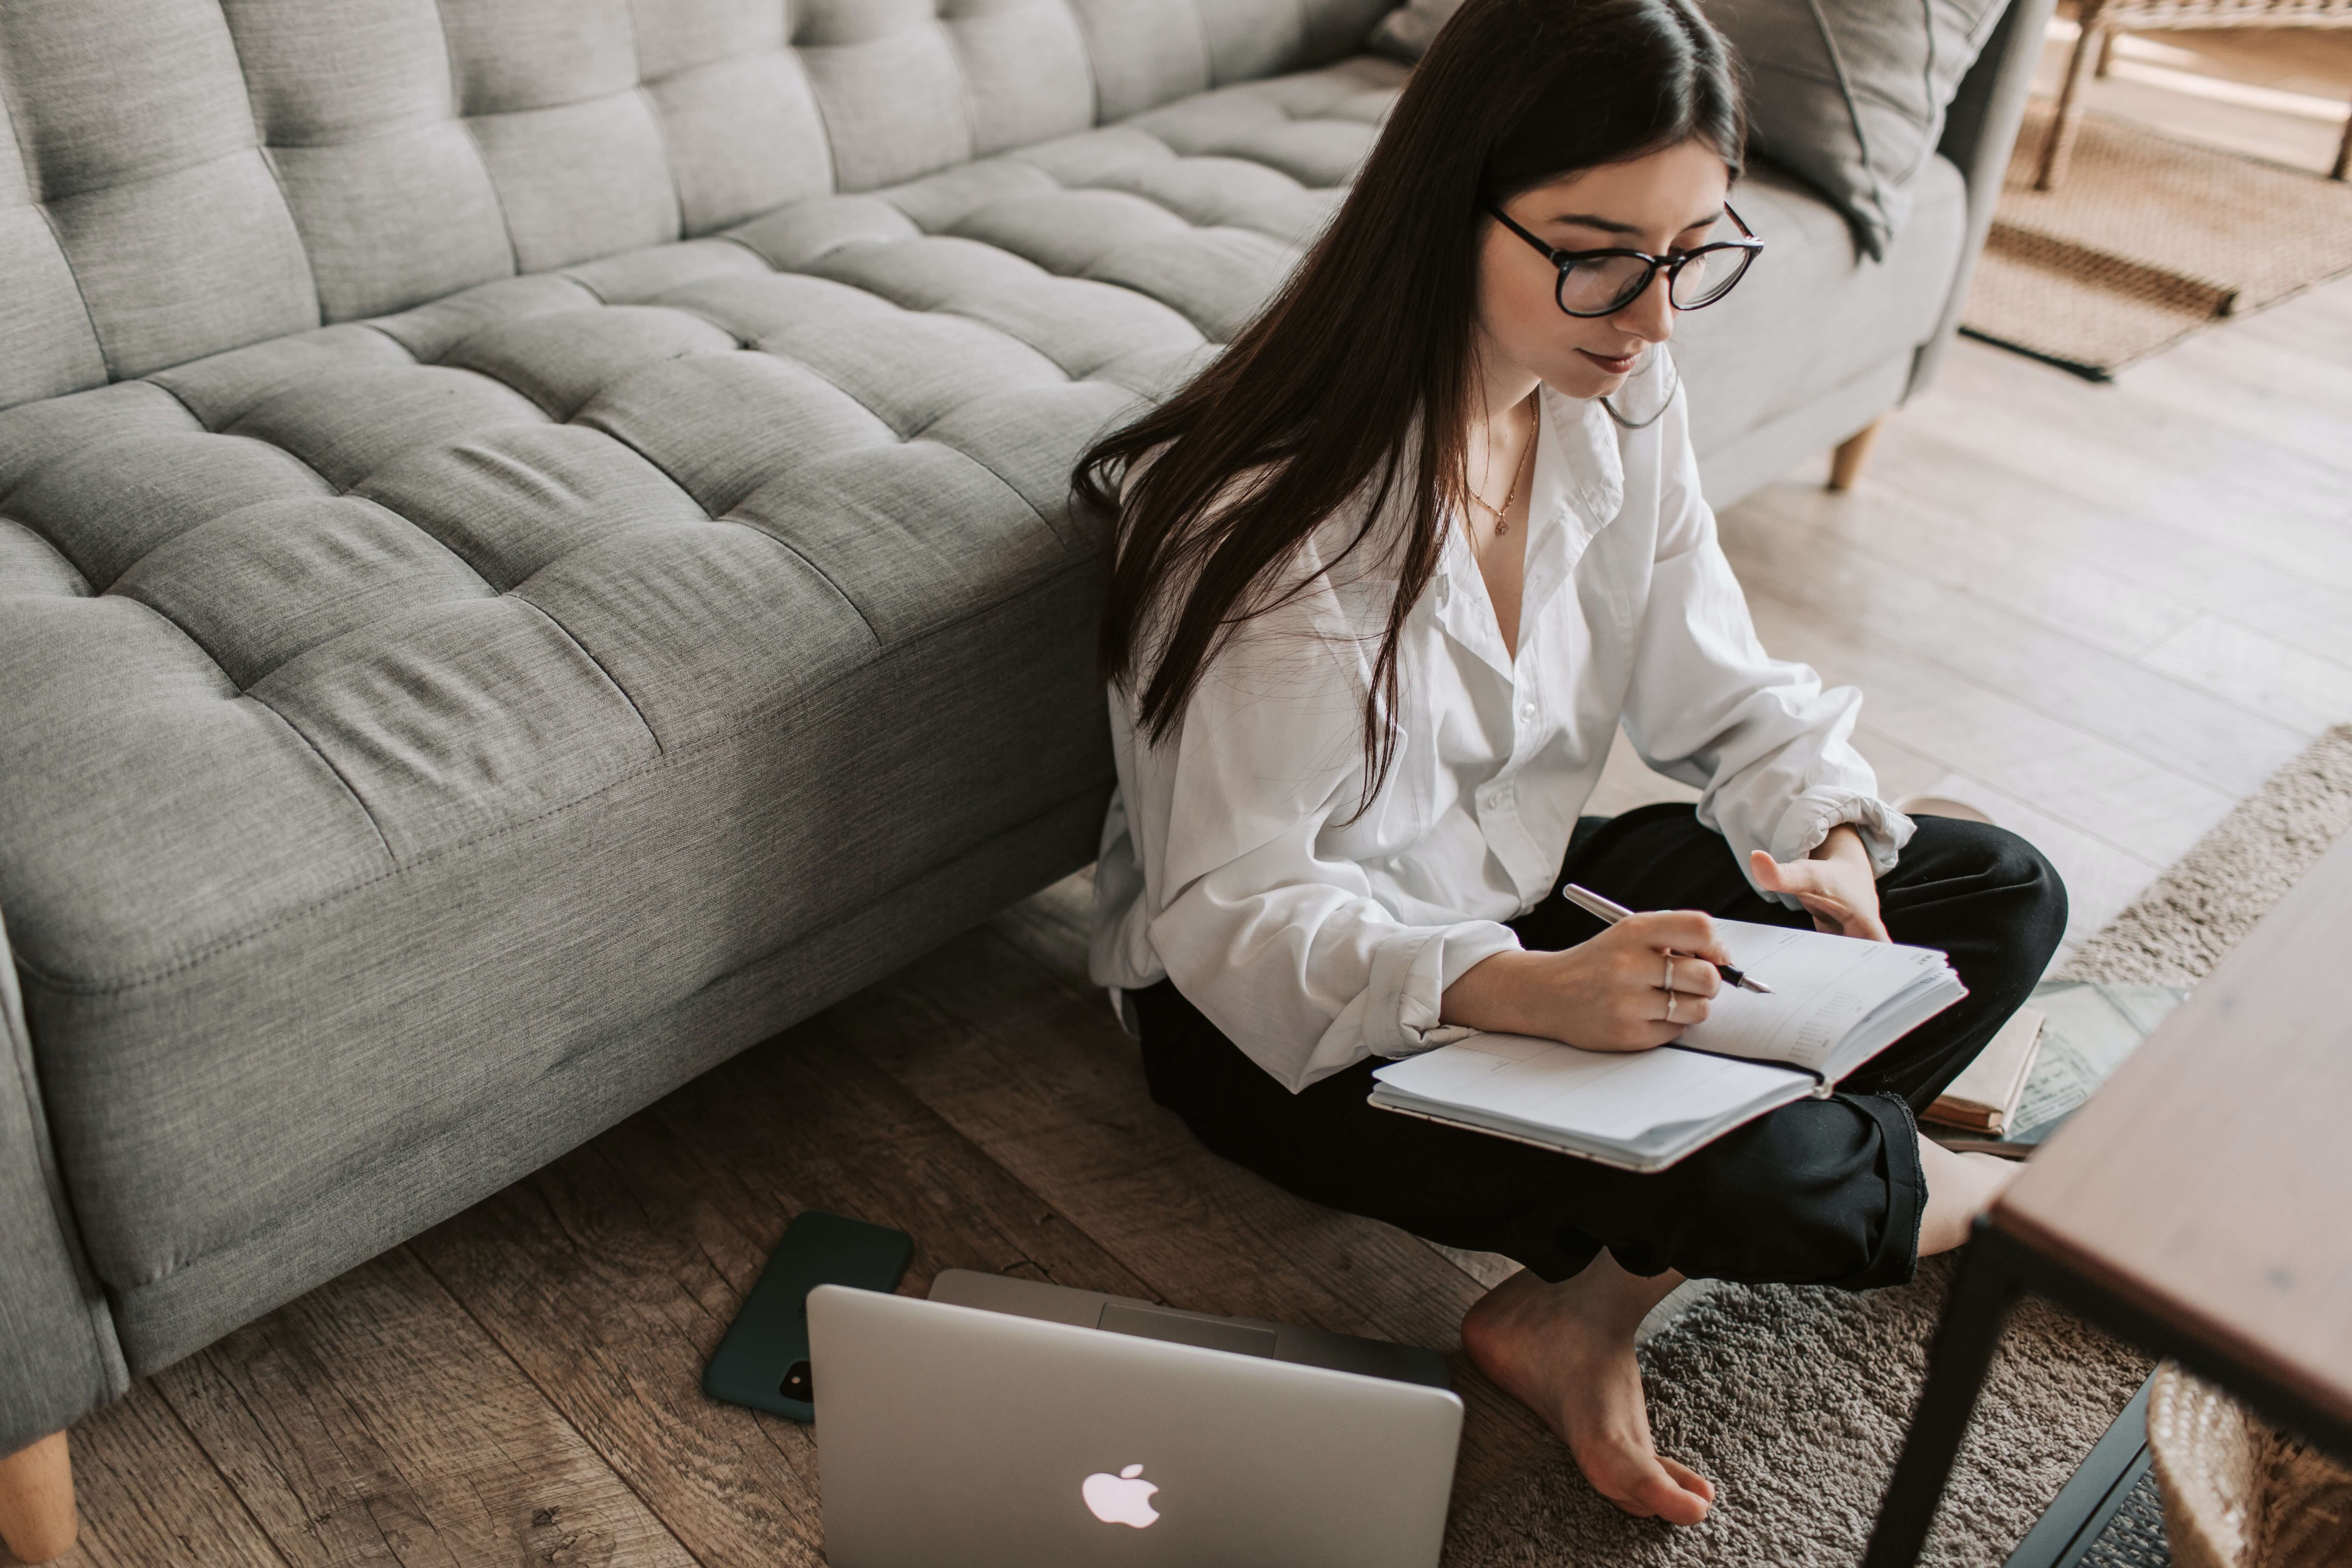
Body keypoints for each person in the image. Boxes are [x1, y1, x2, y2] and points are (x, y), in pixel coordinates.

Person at [1072, 0, 2066, 1527]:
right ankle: (1975, 1189)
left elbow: (1714, 676)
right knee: (1771, 1173)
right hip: (1302, 1021)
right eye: (1600, 252)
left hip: (1526, 900)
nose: (1654, 315)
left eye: (1689, 254)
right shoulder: (1273, 531)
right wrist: (1524, 995)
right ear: (1447, 207)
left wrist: (1825, 839)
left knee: (1994, 887)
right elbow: (1233, 915)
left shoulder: (1613, 385)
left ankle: (1580, 1308)